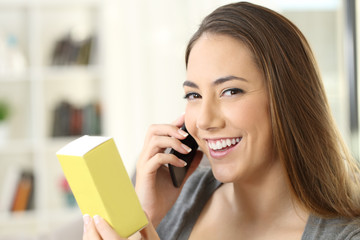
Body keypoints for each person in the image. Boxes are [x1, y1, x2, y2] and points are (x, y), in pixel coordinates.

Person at [83, 2, 360, 239]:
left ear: (286, 100)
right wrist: (142, 219)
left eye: (230, 91)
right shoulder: (174, 198)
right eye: (193, 95)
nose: (204, 120)